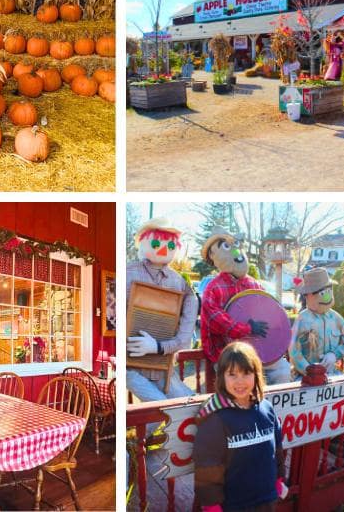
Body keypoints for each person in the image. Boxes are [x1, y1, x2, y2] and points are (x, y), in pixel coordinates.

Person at [193, 341, 288, 512]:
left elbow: (277, 450)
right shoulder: (215, 419)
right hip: (233, 506)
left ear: (256, 374)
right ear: (222, 377)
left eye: (246, 373)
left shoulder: (267, 409)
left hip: (267, 499)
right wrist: (212, 505)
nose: (240, 381)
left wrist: (278, 480)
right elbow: (207, 468)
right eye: (232, 374)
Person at [125, 218, 199, 401]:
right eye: (156, 243)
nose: (163, 249)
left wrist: (158, 347)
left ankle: (152, 431)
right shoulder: (127, 273)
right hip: (130, 367)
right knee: (161, 407)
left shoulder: (179, 283)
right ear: (143, 242)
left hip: (162, 366)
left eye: (171, 244)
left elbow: (184, 336)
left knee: (183, 405)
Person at [199, 230, 270, 368]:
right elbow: (219, 323)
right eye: (226, 246)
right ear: (212, 255)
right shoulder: (213, 289)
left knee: (282, 369)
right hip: (225, 355)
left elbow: (268, 311)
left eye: (237, 245)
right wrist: (248, 328)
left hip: (256, 352)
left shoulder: (255, 285)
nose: (236, 252)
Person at [288, 267, 344, 379]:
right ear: (307, 295)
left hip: (331, 375)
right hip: (306, 378)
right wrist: (309, 370)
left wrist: (334, 355)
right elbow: (294, 351)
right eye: (321, 292)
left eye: (328, 290)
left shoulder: (336, 318)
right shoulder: (302, 320)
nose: (326, 295)